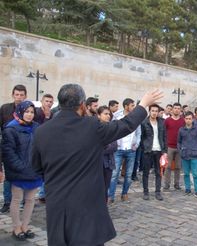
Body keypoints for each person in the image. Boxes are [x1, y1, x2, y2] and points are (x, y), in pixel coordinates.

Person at [32, 84, 162, 245]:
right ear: (82, 105)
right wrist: (143, 104)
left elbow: (36, 167)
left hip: (57, 202)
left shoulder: (41, 131)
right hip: (87, 204)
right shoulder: (92, 126)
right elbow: (125, 125)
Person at [2, 101, 42, 241]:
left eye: (32, 112)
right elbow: (9, 153)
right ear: (20, 112)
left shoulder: (37, 127)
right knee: (17, 199)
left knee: (30, 200)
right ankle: (16, 226)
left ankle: (25, 225)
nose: (29, 115)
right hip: (19, 171)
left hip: (35, 171)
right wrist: (23, 168)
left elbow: (41, 149)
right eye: (27, 111)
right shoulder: (10, 129)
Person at [108, 98, 142, 202]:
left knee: (128, 174)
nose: (133, 107)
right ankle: (111, 196)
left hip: (131, 150)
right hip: (118, 149)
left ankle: (125, 193)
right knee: (114, 174)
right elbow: (112, 130)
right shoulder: (117, 116)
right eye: (132, 105)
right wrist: (114, 144)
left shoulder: (135, 118)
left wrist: (136, 144)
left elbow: (138, 133)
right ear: (126, 106)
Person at [0, 84, 27, 214]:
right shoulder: (5, 108)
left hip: (23, 147)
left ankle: (20, 201)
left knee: (22, 174)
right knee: (8, 176)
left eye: (22, 95)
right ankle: (7, 201)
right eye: (17, 94)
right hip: (8, 146)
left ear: (25, 96)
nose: (19, 97)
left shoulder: (29, 109)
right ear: (13, 95)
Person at [140, 104, 167, 201]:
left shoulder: (162, 122)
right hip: (148, 151)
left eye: (156, 111)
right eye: (152, 111)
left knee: (158, 173)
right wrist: (144, 147)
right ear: (149, 111)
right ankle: (146, 192)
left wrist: (165, 151)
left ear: (158, 112)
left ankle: (157, 192)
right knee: (146, 172)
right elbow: (141, 137)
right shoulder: (144, 122)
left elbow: (164, 137)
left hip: (159, 150)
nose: (154, 113)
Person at [178, 111, 197, 198]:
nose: (188, 120)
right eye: (186, 119)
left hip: (195, 155)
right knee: (186, 174)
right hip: (185, 154)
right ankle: (187, 189)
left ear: (192, 119)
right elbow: (179, 142)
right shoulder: (181, 130)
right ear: (184, 119)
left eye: (190, 119)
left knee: (196, 174)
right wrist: (180, 151)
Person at [34, 93, 55, 203]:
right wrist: (46, 117)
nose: (49, 103)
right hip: (37, 145)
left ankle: (43, 193)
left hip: (48, 146)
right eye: (47, 101)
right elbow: (41, 130)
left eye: (51, 102)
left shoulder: (53, 113)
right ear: (42, 101)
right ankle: (41, 194)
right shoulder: (36, 112)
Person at [97, 106, 117, 202]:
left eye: (109, 114)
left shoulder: (111, 128)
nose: (108, 116)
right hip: (96, 163)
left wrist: (100, 149)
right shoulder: (94, 128)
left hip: (108, 163)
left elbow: (114, 146)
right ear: (98, 115)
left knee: (105, 187)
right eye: (105, 114)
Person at [164, 102, 185, 190]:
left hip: (179, 147)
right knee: (168, 167)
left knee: (177, 167)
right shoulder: (167, 120)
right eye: (175, 108)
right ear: (172, 109)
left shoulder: (183, 121)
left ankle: (176, 184)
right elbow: (164, 133)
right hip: (169, 146)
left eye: (178, 108)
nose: (176, 110)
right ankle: (166, 184)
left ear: (180, 110)